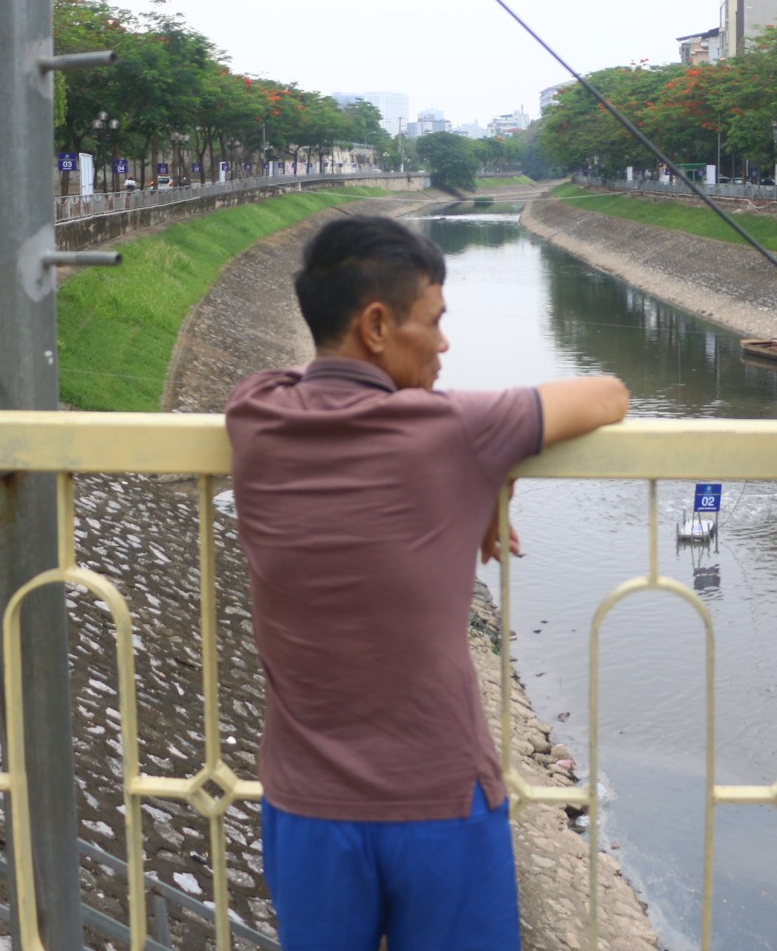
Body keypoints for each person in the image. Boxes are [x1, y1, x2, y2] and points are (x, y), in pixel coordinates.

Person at [225, 214, 630, 951]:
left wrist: (474, 488)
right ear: (377, 326)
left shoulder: (255, 412)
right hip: (439, 800)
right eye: (434, 322)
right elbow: (610, 395)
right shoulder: (458, 431)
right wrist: (485, 481)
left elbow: (297, 382)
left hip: (305, 808)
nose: (445, 345)